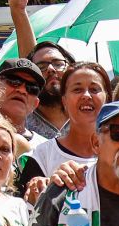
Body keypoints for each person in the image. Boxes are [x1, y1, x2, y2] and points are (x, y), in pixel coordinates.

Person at [16, 61, 110, 194]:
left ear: (107, 98)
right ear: (64, 100)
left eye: (94, 89)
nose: (86, 95)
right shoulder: (42, 155)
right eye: (77, 89)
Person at [0, 58, 46, 140]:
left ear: (35, 104)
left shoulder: (45, 149)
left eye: (32, 88)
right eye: (14, 81)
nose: (22, 90)